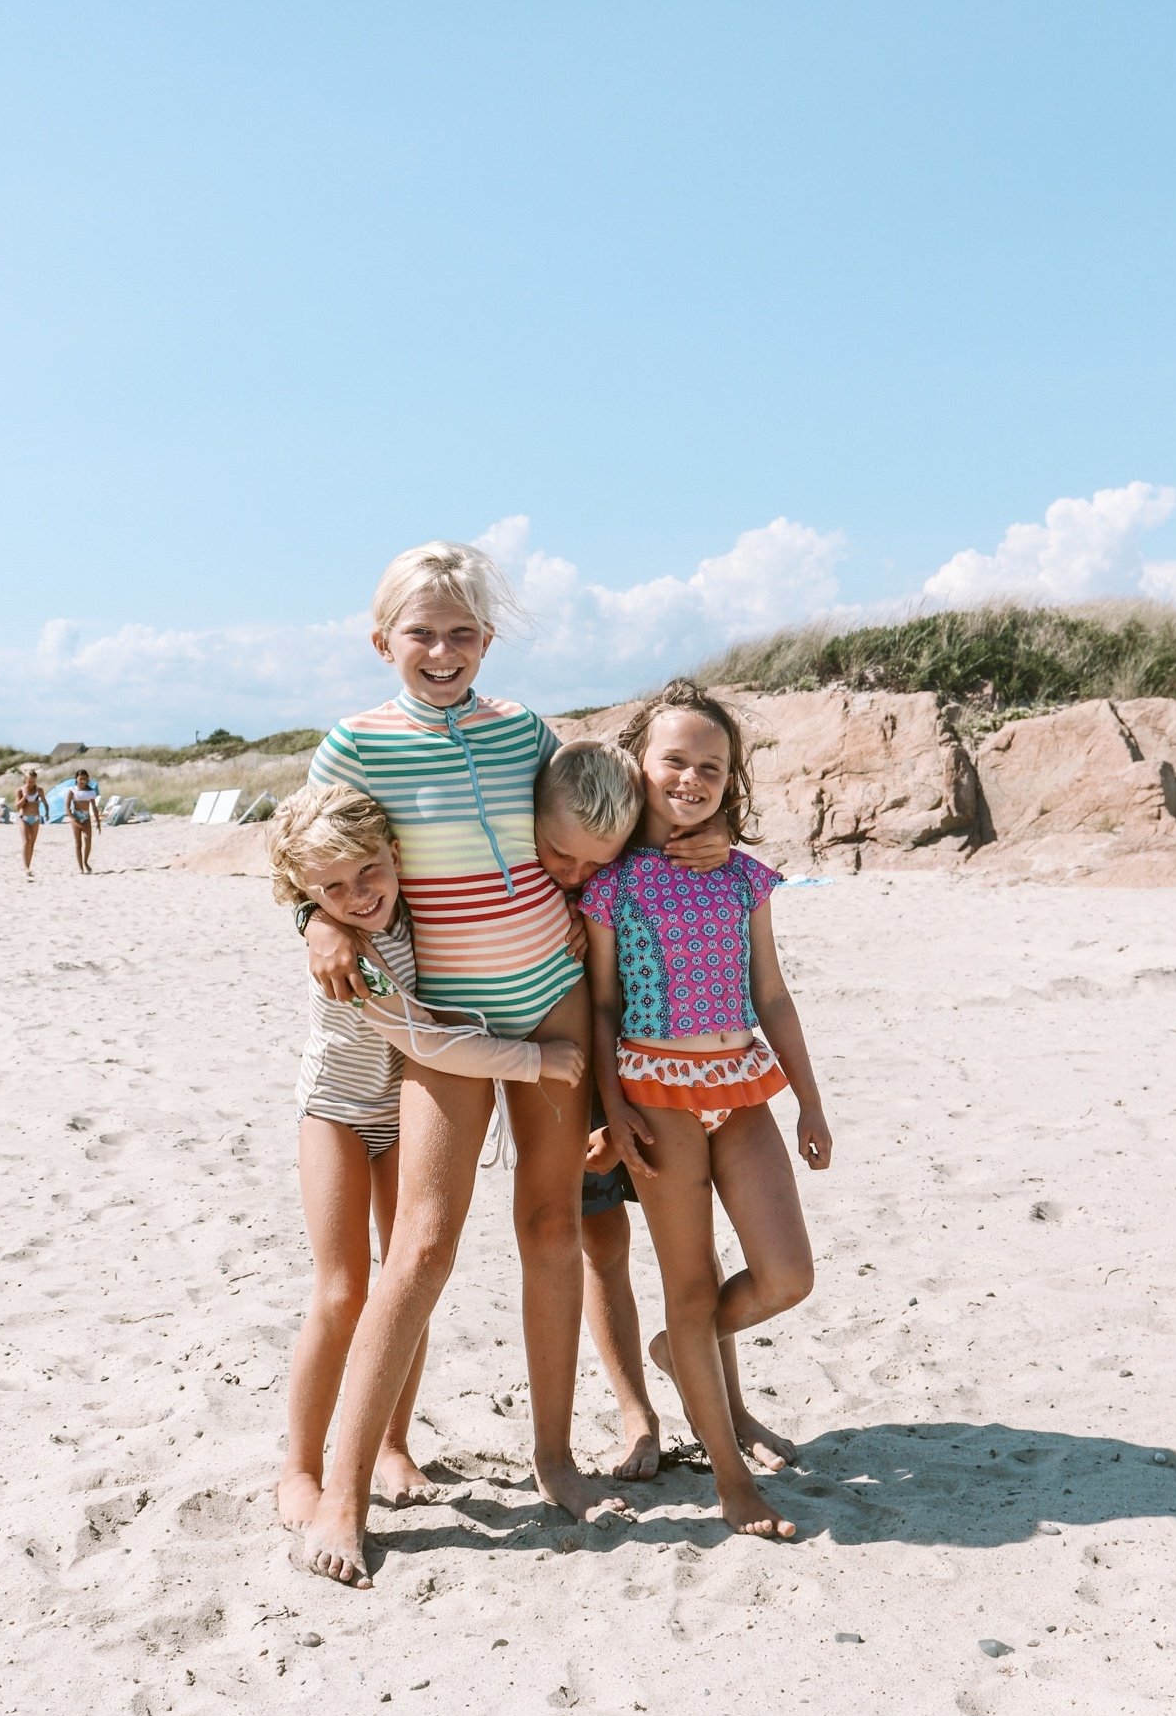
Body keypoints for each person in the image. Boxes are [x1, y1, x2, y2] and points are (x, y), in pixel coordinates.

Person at [297, 540, 624, 1587]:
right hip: (446, 1019)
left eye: (463, 632)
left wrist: (582, 904)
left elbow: (578, 828)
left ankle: (556, 1455)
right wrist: (315, 919)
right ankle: (342, 1492)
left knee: (551, 1222)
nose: (442, 650)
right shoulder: (355, 742)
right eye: (422, 632)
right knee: (425, 1243)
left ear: (488, 637)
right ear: (381, 637)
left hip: (551, 995)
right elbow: (304, 848)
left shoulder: (525, 730)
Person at [267, 781, 584, 1541]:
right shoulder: (348, 953)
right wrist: (532, 1061)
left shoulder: (425, 910)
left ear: (395, 853)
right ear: (307, 896)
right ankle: (300, 1468)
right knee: (342, 1291)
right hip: (340, 1113)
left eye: (368, 872)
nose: (357, 895)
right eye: (332, 890)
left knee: (400, 1277)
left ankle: (392, 1443)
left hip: (404, 1114)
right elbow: (424, 1041)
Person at [582, 678, 833, 1541]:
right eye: (675, 762)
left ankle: (677, 1351)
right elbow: (604, 1007)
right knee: (687, 1284)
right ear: (639, 768)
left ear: (732, 783)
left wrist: (809, 1100)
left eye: (712, 769)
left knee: (785, 1276)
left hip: (741, 1089)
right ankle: (730, 1481)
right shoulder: (610, 884)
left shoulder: (745, 877)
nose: (692, 780)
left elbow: (771, 991)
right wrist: (614, 1109)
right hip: (655, 1100)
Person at [533, 741, 797, 1483]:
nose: (579, 869)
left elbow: (693, 802)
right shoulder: (566, 814)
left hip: (672, 1062)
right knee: (601, 1240)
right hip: (570, 1058)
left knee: (697, 1258)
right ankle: (635, 1413)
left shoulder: (691, 856)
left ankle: (729, 1408)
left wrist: (717, 835)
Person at [14, 767, 49, 876]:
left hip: (35, 819)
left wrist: (47, 812)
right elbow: (17, 806)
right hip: (23, 818)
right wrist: (25, 796)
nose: (31, 783)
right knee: (26, 841)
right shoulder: (20, 790)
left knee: (32, 843)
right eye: (29, 781)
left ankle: (28, 867)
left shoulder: (39, 790)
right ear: (25, 780)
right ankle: (25, 868)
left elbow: (45, 802)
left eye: (33, 781)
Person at [66, 770, 101, 873]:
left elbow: (94, 807)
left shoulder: (90, 791)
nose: (82, 781)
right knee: (78, 843)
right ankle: (80, 866)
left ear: (87, 779)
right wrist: (72, 818)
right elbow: (67, 807)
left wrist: (98, 821)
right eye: (80, 778)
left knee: (88, 840)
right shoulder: (72, 790)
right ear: (76, 779)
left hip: (85, 817)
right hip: (76, 816)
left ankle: (85, 861)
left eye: (84, 779)